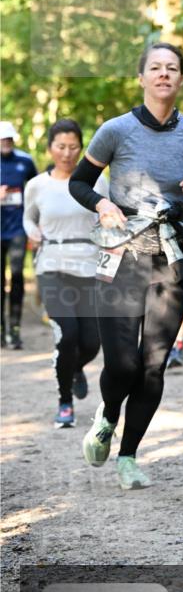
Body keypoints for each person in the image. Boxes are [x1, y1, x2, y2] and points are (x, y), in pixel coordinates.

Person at [69, 42, 183, 490]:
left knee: (153, 363)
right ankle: (106, 415)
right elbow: (80, 182)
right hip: (122, 258)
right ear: (141, 78)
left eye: (171, 68)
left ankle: (129, 456)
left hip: (172, 260)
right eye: (154, 68)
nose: (163, 74)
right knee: (122, 365)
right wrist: (101, 204)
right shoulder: (115, 131)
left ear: (180, 80)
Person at [23, 119, 108, 428]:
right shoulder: (37, 185)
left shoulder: (97, 183)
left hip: (88, 265)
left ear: (81, 149)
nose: (68, 153)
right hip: (52, 265)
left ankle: (73, 368)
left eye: (74, 147)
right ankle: (64, 402)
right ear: (50, 148)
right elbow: (29, 219)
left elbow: (107, 219)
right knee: (67, 335)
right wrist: (34, 234)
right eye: (61, 146)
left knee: (91, 343)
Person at [1, 120, 38, 350]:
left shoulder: (24, 161)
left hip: (17, 229)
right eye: (2, 139)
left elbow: (36, 189)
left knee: (16, 277)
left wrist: (35, 224)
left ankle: (14, 330)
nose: (6, 142)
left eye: (9, 139)